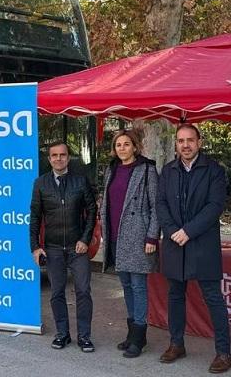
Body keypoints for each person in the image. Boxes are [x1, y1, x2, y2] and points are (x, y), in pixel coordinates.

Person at [156, 124, 231, 373]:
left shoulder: (214, 171)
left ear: (199, 142)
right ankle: (177, 344)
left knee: (213, 298)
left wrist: (188, 231)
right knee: (175, 297)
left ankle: (224, 351)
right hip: (175, 243)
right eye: (180, 141)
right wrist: (171, 231)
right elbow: (161, 203)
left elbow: (214, 206)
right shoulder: (168, 171)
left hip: (202, 244)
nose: (185, 145)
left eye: (190, 140)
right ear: (176, 144)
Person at [30, 141, 97, 352]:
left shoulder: (80, 181)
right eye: (54, 155)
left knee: (83, 292)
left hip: (78, 248)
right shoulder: (40, 183)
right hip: (53, 248)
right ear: (49, 159)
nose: (59, 159)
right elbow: (34, 217)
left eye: (63, 155)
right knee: (56, 292)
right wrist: (35, 247)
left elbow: (92, 211)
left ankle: (84, 337)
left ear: (68, 158)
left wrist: (85, 240)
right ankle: (63, 334)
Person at [100, 129, 159, 358]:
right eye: (118, 145)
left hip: (138, 236)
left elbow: (156, 206)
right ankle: (131, 334)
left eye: (126, 144)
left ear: (135, 146)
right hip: (116, 235)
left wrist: (152, 236)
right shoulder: (111, 169)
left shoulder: (147, 170)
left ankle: (139, 338)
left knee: (138, 286)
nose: (122, 148)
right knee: (125, 285)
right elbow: (107, 202)